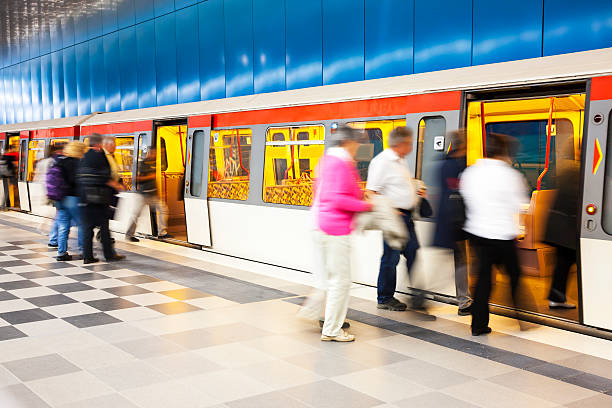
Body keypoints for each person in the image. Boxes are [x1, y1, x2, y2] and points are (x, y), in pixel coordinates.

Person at [460, 133, 529, 336]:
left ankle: (478, 326)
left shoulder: (470, 172)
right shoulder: (509, 175)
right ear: (503, 152)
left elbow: (466, 198)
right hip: (502, 235)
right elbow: (519, 205)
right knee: (514, 275)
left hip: (477, 233)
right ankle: (522, 318)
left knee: (483, 281)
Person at [309, 125, 371, 342]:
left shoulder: (328, 160)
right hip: (335, 228)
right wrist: (367, 206)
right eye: (357, 144)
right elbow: (337, 198)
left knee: (336, 280)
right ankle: (332, 329)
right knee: (340, 282)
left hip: (325, 226)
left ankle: (330, 326)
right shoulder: (340, 163)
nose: (358, 149)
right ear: (349, 142)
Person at [366, 127, 427, 311]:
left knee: (413, 252)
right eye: (409, 142)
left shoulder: (401, 161)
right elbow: (370, 193)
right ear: (401, 143)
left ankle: (417, 296)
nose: (411, 146)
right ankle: (384, 297)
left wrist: (415, 188)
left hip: (406, 217)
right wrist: (390, 211)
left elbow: (397, 186)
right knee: (391, 258)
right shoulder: (382, 162)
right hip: (393, 217)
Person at [432, 130, 472, 315]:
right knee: (459, 262)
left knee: (451, 262)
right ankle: (464, 301)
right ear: (462, 146)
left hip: (448, 221)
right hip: (456, 222)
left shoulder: (442, 165)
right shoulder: (460, 167)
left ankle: (463, 300)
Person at [77, 134, 125, 264]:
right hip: (99, 199)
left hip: (85, 198)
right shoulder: (99, 156)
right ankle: (109, 255)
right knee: (104, 227)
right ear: (99, 144)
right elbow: (104, 176)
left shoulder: (84, 157)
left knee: (87, 229)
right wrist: (115, 185)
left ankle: (88, 256)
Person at [544, 140, 580, 309]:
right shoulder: (576, 171)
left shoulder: (568, 170)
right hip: (565, 229)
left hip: (559, 227)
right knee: (565, 264)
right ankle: (557, 298)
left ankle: (556, 297)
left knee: (563, 264)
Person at [125, 147, 169, 242]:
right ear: (148, 153)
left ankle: (162, 233)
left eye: (156, 153)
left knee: (163, 210)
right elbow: (136, 178)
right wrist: (150, 176)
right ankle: (129, 234)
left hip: (153, 194)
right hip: (143, 194)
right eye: (153, 153)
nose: (154, 155)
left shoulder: (155, 164)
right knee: (136, 214)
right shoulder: (142, 164)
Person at [52, 142, 87, 261]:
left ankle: (61, 253)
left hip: (60, 199)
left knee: (63, 226)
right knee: (83, 224)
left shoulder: (60, 161)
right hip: (73, 198)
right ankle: (84, 250)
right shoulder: (78, 163)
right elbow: (77, 182)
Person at [33, 144, 63, 239]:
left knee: (51, 209)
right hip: (50, 187)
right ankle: (43, 227)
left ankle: (48, 228)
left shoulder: (42, 161)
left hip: (44, 186)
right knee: (52, 210)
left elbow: (37, 174)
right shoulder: (51, 161)